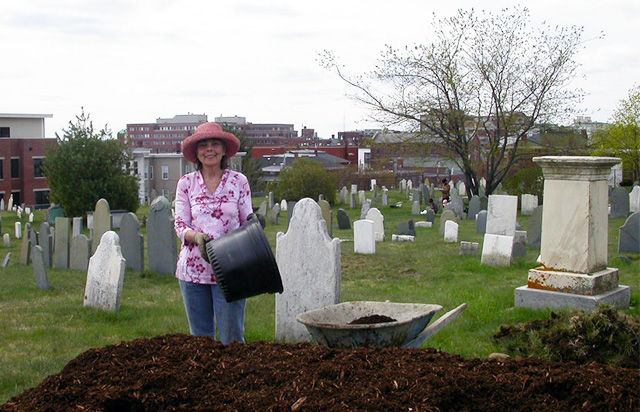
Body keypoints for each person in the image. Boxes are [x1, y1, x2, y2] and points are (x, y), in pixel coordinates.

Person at [174, 122, 253, 344]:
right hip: (194, 270)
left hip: (232, 266)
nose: (209, 150)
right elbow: (180, 224)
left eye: (215, 144)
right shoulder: (186, 184)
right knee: (200, 340)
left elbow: (247, 219)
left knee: (232, 337)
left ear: (224, 149)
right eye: (204, 145)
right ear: (196, 152)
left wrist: (256, 227)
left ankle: (235, 376)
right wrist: (196, 237)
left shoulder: (239, 181)